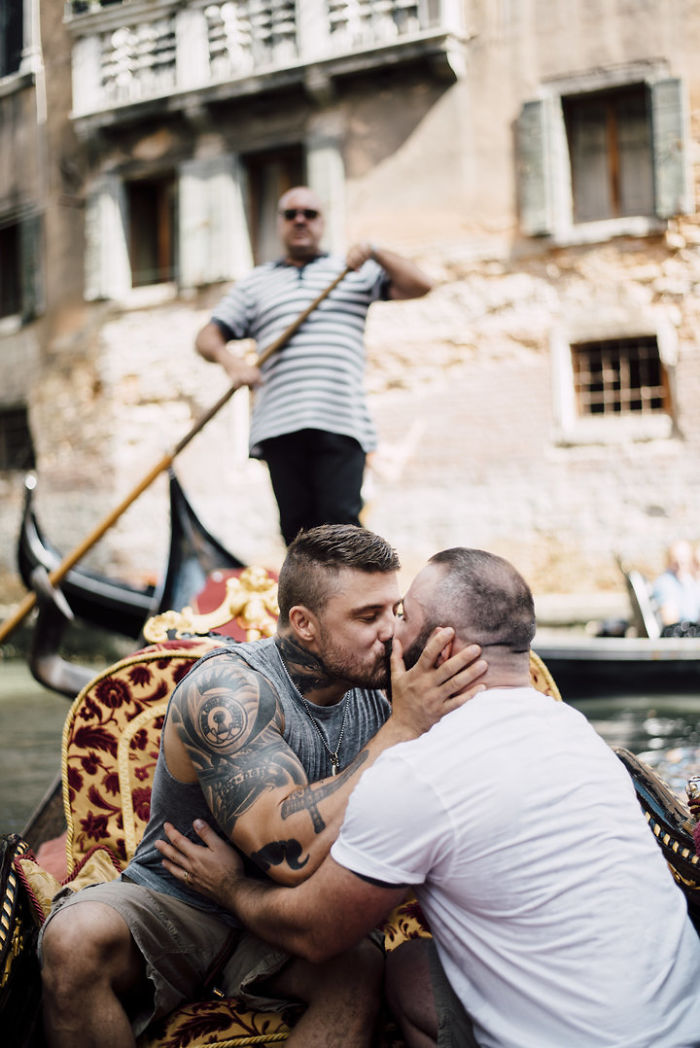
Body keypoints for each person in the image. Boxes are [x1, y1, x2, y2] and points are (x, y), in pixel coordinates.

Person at [158, 548, 700, 1048]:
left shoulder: (419, 772)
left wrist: (228, 885)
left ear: (440, 644)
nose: (392, 631)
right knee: (414, 966)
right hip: (684, 1027)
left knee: (401, 966)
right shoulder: (577, 732)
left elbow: (316, 931)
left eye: (404, 615)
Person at [38, 526, 486, 1048]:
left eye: (396, 611)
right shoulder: (229, 690)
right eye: (367, 617)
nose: (390, 633)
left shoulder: (393, 684)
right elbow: (287, 851)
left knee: (359, 967)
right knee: (73, 938)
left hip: (299, 921)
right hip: (180, 898)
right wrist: (400, 730)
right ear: (305, 624)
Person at [195, 185, 433, 545]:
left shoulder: (351, 271)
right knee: (297, 532)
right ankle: (309, 601)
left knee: (343, 527)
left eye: (310, 213)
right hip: (279, 422)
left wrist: (374, 251)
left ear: (323, 222)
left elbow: (421, 284)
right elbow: (206, 338)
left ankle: (353, 601)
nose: (300, 220)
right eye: (291, 214)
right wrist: (231, 362)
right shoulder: (256, 284)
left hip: (341, 417)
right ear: (280, 223)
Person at [652, 539, 700, 630]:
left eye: (684, 559)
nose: (680, 564)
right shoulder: (665, 583)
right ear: (669, 560)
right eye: (676, 560)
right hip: (682, 634)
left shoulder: (688, 582)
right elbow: (670, 620)